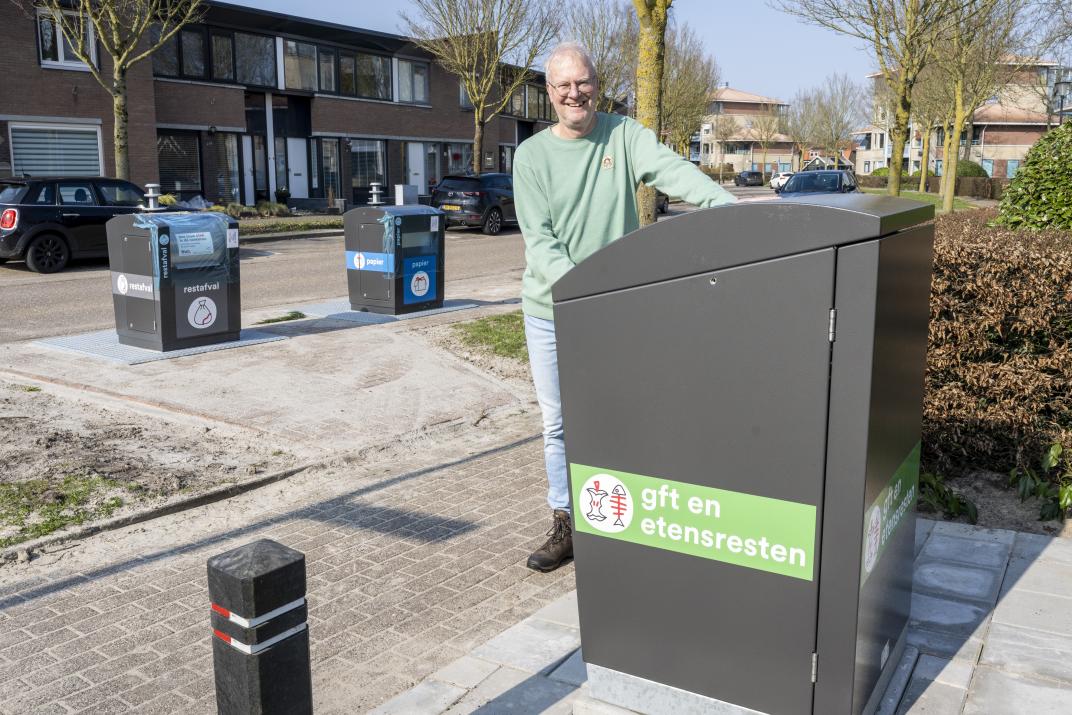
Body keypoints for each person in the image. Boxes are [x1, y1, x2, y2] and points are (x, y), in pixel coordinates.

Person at [514, 42, 737, 572]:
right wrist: (583, 294)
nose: (575, 93)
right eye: (563, 85)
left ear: (597, 84)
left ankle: (623, 518)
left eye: (583, 82)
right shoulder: (531, 157)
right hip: (552, 311)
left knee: (626, 415)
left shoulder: (625, 135)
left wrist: (735, 215)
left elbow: (678, 175)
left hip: (617, 310)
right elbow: (541, 244)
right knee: (560, 423)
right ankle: (567, 522)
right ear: (549, 93)